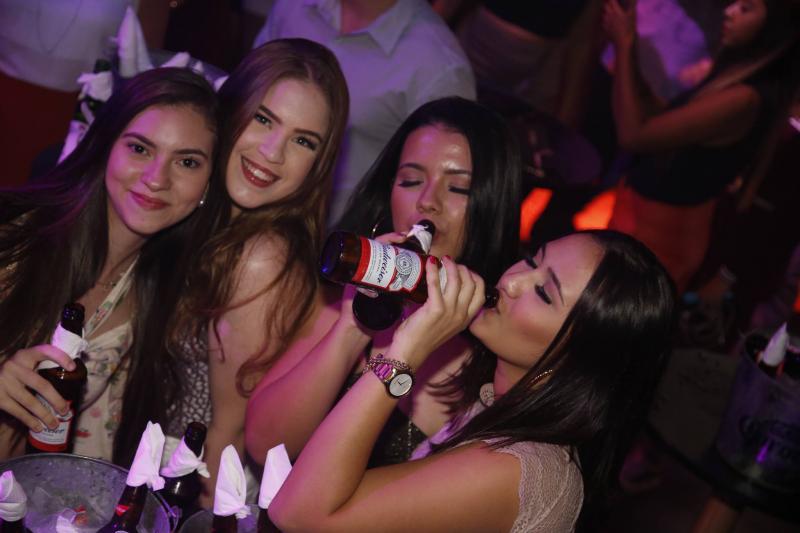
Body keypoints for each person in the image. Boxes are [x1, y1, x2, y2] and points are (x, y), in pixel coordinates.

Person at [267, 230, 677, 532]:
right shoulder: (491, 402)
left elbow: (298, 513)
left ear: (577, 361)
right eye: (531, 260)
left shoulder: (520, 469)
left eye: (543, 293)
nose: (512, 281)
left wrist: (405, 354)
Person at [245, 96, 522, 466]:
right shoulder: (340, 302)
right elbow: (264, 446)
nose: (427, 201)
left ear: (493, 206)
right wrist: (355, 324)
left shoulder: (494, 352)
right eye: (411, 180)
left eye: (458, 188)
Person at [162, 38, 349, 504]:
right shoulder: (208, 221)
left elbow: (229, 434)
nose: (272, 151)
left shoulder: (261, 258)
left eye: (303, 141)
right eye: (263, 119)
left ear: (319, 165)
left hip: (188, 489)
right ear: (233, 109)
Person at [0, 67, 219, 459]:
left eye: (187, 162)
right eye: (139, 149)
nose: (157, 178)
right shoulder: (15, 244)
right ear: (105, 147)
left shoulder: (163, 296)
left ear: (207, 186)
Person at [604, 0, 800, 291]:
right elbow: (663, 121)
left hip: (662, 239)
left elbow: (634, 136)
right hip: (643, 222)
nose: (729, 11)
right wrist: (629, 56)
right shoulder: (732, 76)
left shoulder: (745, 98)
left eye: (746, 8)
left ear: (774, 27)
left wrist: (624, 43)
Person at [253, 0, 477, 224]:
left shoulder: (440, 66)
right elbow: (247, 96)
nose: (272, 152)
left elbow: (444, 204)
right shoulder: (293, 6)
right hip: (250, 209)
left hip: (348, 235)